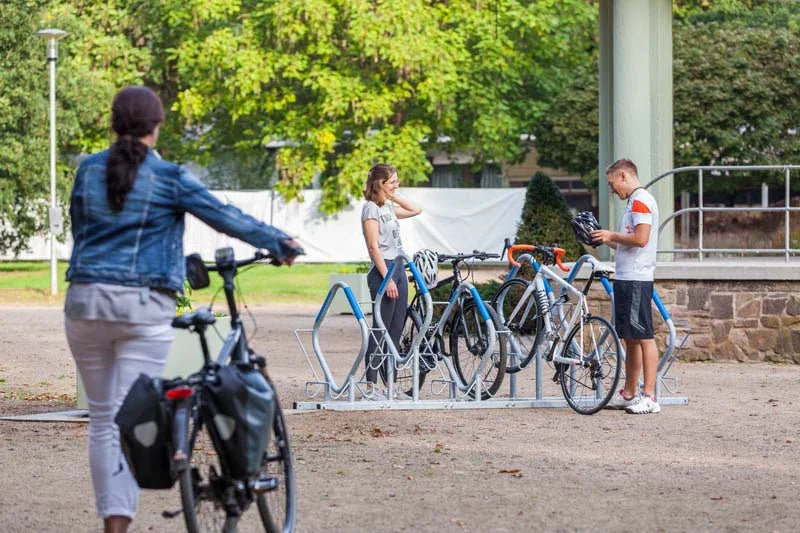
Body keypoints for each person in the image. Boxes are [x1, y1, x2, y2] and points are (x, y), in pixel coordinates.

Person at [64, 86, 303, 533]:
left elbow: (81, 231)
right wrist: (280, 243)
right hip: (142, 306)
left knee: (103, 418)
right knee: (127, 413)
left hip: (85, 301)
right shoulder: (170, 176)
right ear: (157, 126)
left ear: (114, 123)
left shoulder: (86, 171)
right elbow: (224, 216)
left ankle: (114, 527)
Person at [591, 158, 661, 415]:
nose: (611, 190)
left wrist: (611, 235)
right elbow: (628, 241)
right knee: (630, 338)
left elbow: (641, 239)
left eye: (612, 183)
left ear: (623, 175)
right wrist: (603, 237)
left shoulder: (641, 200)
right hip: (626, 276)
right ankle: (630, 392)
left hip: (636, 278)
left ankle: (650, 396)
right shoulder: (634, 201)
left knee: (643, 336)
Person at [360, 163, 422, 400]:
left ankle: (391, 385)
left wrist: (393, 194)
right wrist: (387, 279)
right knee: (381, 329)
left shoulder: (387, 206)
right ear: (380, 184)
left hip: (398, 267)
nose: (397, 185)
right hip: (383, 270)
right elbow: (373, 247)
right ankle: (371, 386)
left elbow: (416, 210)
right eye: (392, 182)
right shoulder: (371, 209)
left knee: (396, 329)